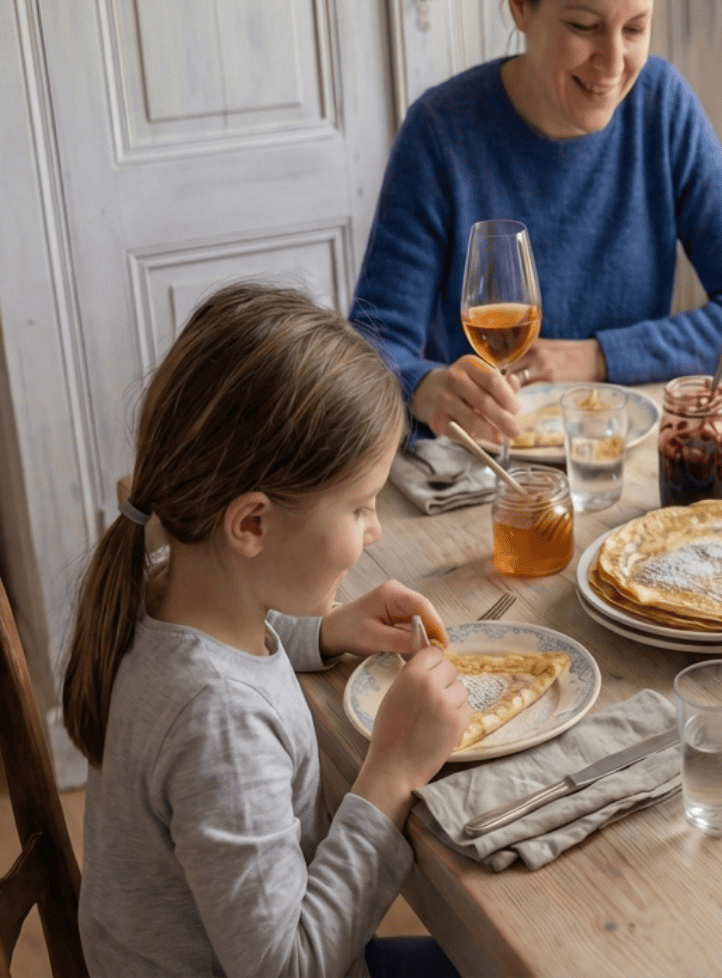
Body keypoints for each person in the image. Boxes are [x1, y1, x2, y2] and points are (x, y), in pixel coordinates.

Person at [63, 285, 474, 977]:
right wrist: (392, 770)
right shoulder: (217, 722)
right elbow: (287, 967)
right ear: (251, 524)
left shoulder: (161, 585)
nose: (375, 532)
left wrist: (327, 631)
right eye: (361, 508)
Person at [350, 0, 722, 446]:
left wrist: (598, 355)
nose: (612, 64)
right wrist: (424, 388)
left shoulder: (663, 107)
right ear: (519, 1)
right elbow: (370, 349)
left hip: (621, 455)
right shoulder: (440, 133)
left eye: (635, 29)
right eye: (584, 26)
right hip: (486, 470)